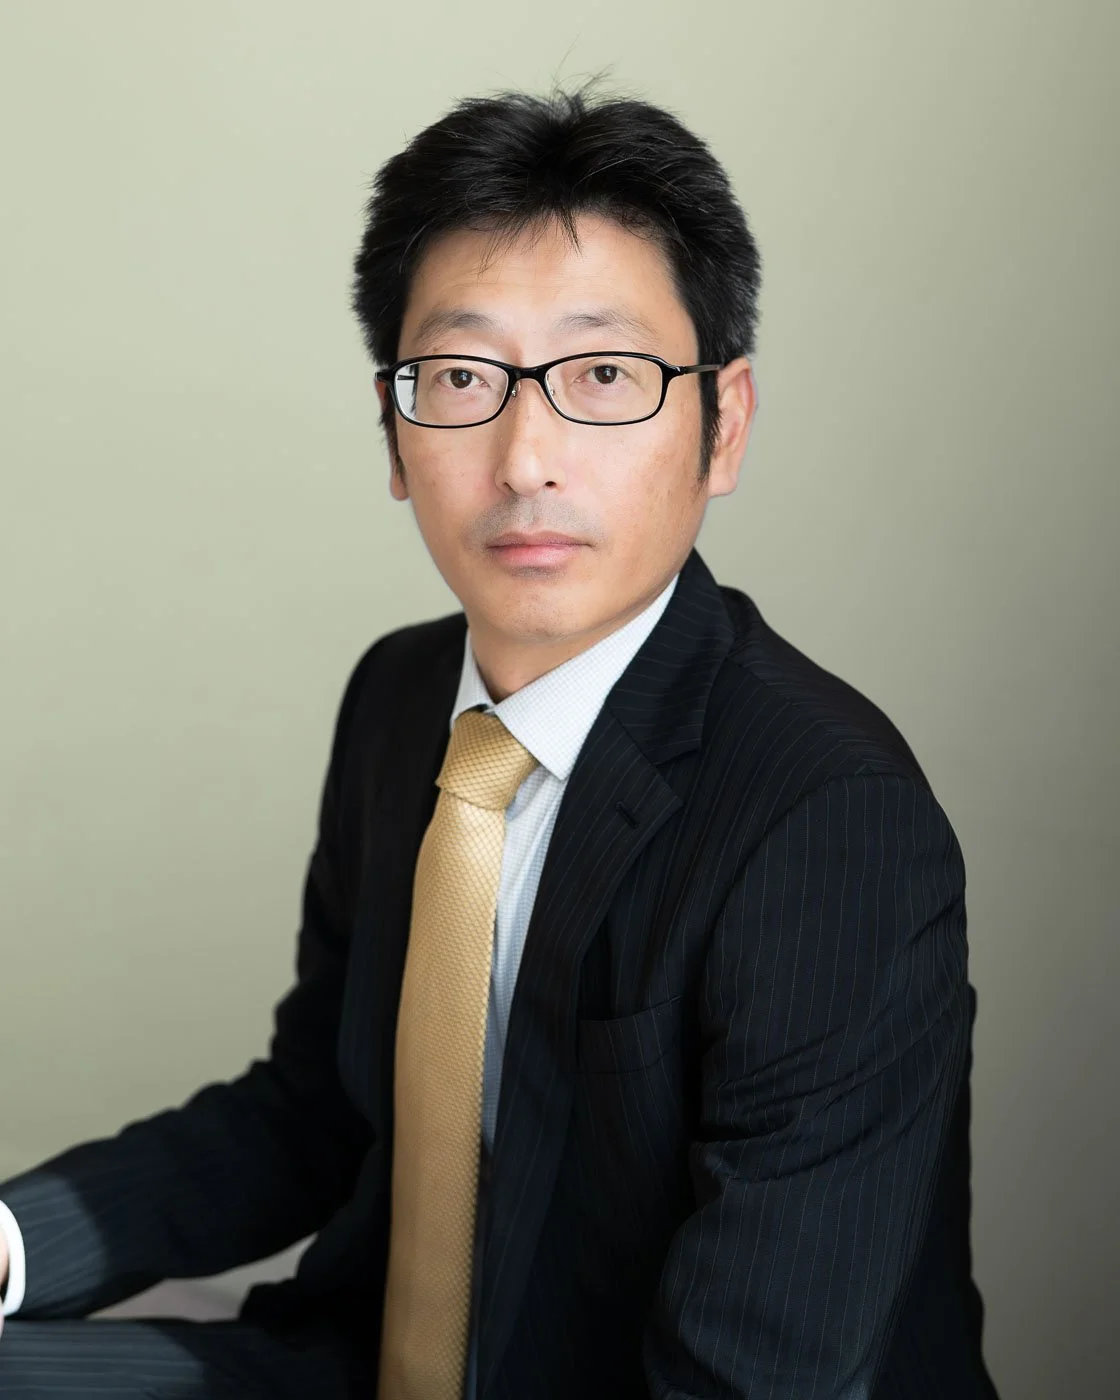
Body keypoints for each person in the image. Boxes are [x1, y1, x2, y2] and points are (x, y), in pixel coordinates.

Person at [0, 85, 1000, 1399]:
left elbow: (754, 1372)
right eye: (464, 378)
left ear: (725, 423)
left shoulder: (828, 818)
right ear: (396, 435)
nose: (527, 456)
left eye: (603, 376)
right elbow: (319, 1111)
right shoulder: (399, 698)